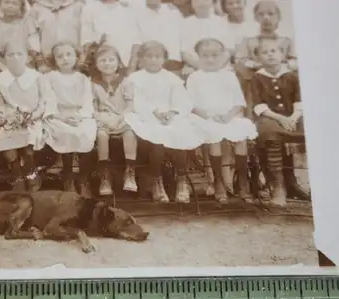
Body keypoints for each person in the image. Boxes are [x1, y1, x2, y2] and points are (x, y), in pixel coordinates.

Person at [123, 41, 206, 203]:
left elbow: (182, 99)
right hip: (147, 116)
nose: (153, 60)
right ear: (141, 59)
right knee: (158, 137)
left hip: (171, 115)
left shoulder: (170, 78)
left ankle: (181, 180)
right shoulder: (135, 78)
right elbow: (137, 101)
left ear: (164, 59)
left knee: (180, 133)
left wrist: (173, 112)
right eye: (149, 57)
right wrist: (155, 112)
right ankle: (157, 181)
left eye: (157, 57)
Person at [187, 38, 257, 203]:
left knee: (241, 130)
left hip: (229, 116)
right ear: (198, 57)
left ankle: (242, 182)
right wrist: (209, 116)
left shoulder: (229, 76)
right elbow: (190, 105)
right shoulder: (194, 77)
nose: (210, 59)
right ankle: (218, 181)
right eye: (205, 56)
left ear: (222, 56)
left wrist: (228, 116)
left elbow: (239, 102)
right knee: (214, 134)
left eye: (214, 55)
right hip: (205, 118)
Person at [0, 39, 54, 192]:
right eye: (11, 55)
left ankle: (30, 169)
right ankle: (16, 172)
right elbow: (0, 104)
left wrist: (33, 116)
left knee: (30, 135)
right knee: (6, 133)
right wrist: (9, 117)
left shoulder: (37, 77)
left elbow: (44, 101)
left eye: (20, 54)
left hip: (34, 117)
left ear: (27, 57)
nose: (16, 58)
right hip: (10, 117)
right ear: (4, 58)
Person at [250, 36, 304, 207]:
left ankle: (292, 183)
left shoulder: (291, 76)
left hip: (293, 116)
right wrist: (281, 118)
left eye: (274, 51)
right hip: (269, 118)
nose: (270, 55)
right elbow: (258, 106)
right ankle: (278, 186)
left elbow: (299, 100)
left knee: (309, 128)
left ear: (282, 55)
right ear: (258, 59)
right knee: (270, 132)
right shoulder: (257, 79)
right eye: (264, 53)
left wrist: (294, 117)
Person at [43, 41, 97, 197]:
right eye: (60, 56)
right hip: (58, 115)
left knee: (86, 132)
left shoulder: (82, 79)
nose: (65, 59)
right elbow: (49, 100)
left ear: (76, 57)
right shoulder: (50, 78)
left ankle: (83, 179)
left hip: (80, 115)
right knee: (66, 133)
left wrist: (80, 116)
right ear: (54, 59)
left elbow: (88, 101)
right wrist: (62, 117)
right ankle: (68, 178)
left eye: (69, 55)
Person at [89, 42, 137, 196]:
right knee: (101, 135)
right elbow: (92, 107)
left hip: (123, 118)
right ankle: (105, 175)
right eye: (103, 60)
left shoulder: (126, 81)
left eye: (111, 60)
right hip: (103, 118)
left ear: (118, 62)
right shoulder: (93, 84)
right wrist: (101, 118)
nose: (107, 64)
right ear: (96, 64)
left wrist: (123, 117)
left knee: (129, 133)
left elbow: (131, 104)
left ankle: (130, 172)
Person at [180, 0, 235, 78]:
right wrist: (201, 67)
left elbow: (228, 50)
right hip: (196, 67)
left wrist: (216, 67)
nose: (201, 2)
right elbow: (185, 52)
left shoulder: (222, 22)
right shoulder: (185, 24)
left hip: (221, 67)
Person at [25, 0, 84, 72]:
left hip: (75, 61)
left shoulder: (79, 5)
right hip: (48, 61)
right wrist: (39, 57)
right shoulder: (37, 8)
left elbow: (86, 31)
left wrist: (82, 55)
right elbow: (32, 33)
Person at [80, 0, 141, 68]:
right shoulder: (89, 9)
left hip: (125, 63)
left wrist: (131, 67)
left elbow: (136, 42)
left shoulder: (129, 9)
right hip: (101, 63)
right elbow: (86, 40)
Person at [133, 0, 183, 75]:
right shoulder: (136, 13)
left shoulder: (173, 11)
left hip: (172, 64)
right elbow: (136, 43)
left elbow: (183, 39)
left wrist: (187, 65)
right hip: (148, 65)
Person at [0, 0, 29, 73]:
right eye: (6, 2)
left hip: (24, 68)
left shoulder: (25, 25)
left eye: (15, 3)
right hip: (2, 68)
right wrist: (5, 70)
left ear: (21, 7)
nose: (10, 6)